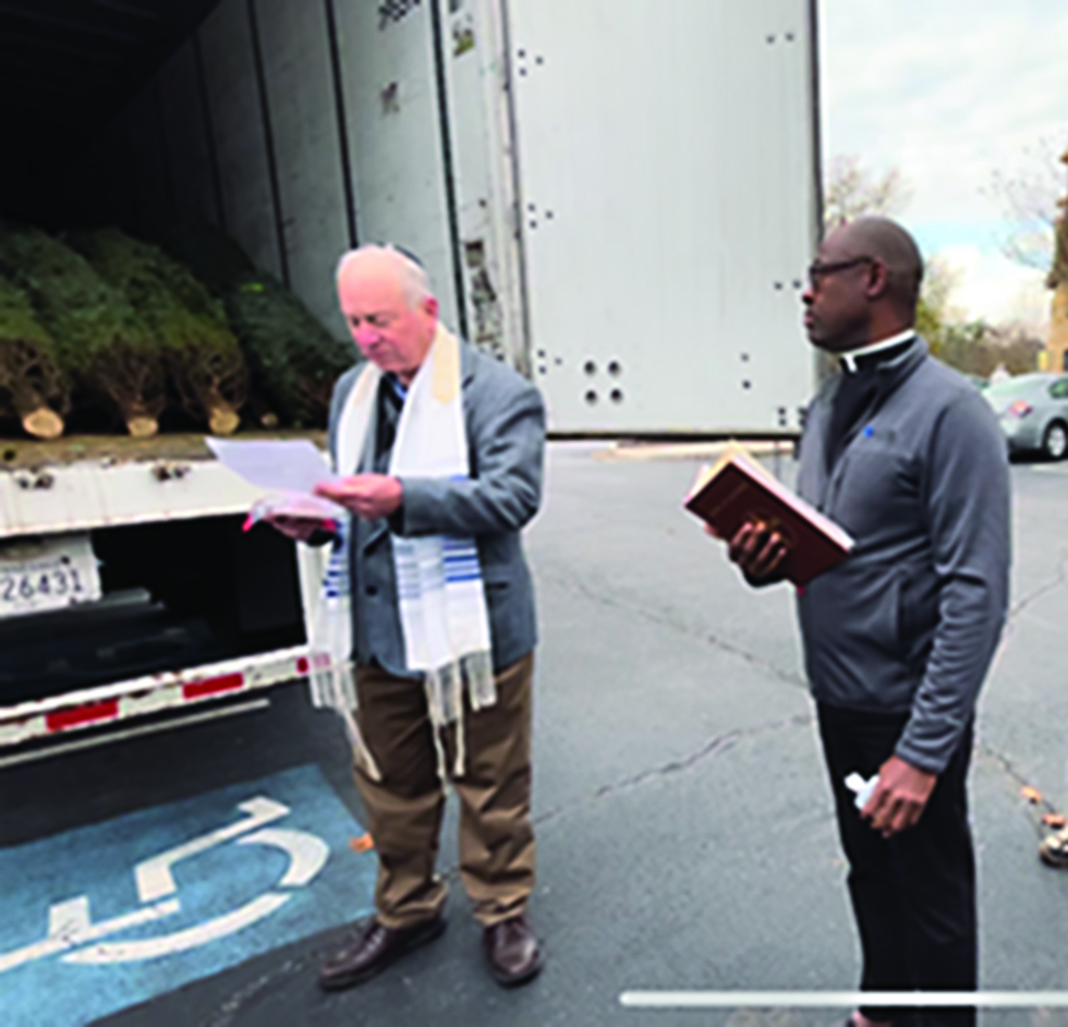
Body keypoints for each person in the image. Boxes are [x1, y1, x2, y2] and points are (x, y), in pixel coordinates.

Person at [724, 217, 1010, 1027]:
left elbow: (976, 592)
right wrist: (761, 556)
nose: (806, 293)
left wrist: (922, 755)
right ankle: (882, 1009)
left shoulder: (953, 412)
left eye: (820, 273)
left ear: (874, 278)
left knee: (933, 895)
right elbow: (826, 546)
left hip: (907, 708)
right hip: (838, 697)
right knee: (871, 872)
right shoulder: (827, 405)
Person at [267, 244, 545, 989]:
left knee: (489, 778)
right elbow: (349, 503)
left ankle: (502, 907)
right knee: (391, 780)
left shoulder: (497, 392)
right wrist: (317, 524)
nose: (364, 337)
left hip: (474, 631)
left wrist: (403, 497)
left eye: (380, 319)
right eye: (354, 320)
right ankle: (408, 907)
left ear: (427, 311)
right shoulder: (352, 391)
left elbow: (513, 499)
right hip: (375, 627)